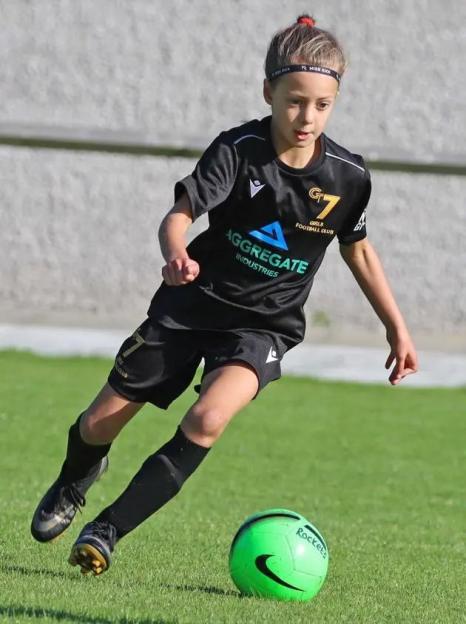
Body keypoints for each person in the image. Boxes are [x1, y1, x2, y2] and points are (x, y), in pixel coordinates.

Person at [31, 14, 418, 575]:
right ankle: (74, 481)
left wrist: (396, 326)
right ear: (269, 92)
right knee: (98, 424)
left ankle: (107, 531)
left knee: (209, 418)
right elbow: (180, 214)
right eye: (294, 101)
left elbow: (357, 249)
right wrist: (176, 251)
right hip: (191, 306)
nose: (306, 117)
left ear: (335, 102)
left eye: (322, 105)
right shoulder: (237, 149)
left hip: (265, 326)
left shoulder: (348, 178)